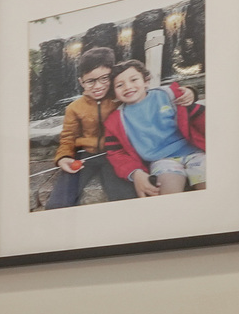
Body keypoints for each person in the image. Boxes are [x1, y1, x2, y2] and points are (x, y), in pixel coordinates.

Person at [105, 57, 207, 197]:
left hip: (195, 152)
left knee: (209, 186)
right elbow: (116, 153)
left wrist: (191, 92)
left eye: (134, 80)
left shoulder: (168, 96)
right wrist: (135, 173)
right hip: (162, 161)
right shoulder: (115, 121)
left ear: (146, 82)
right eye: (119, 85)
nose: (128, 87)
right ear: (114, 92)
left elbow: (202, 118)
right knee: (167, 194)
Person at [43, 52, 133, 207]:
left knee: (125, 196)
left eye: (104, 78)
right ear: (81, 82)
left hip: (114, 154)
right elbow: (68, 137)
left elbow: (147, 97)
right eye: (90, 81)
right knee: (59, 200)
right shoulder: (74, 108)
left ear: (112, 76)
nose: (97, 86)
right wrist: (63, 157)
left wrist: (187, 92)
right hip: (84, 156)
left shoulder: (121, 99)